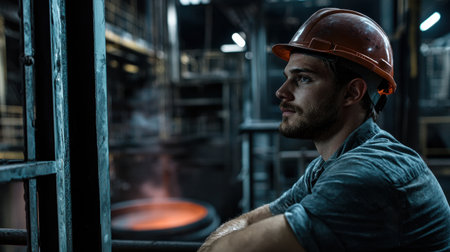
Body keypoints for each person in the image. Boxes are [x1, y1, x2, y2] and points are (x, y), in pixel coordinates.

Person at [198, 7, 450, 252]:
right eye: (287, 77)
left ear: (352, 93)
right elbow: (254, 221)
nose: (281, 92)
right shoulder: (328, 164)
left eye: (303, 78)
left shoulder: (366, 175)